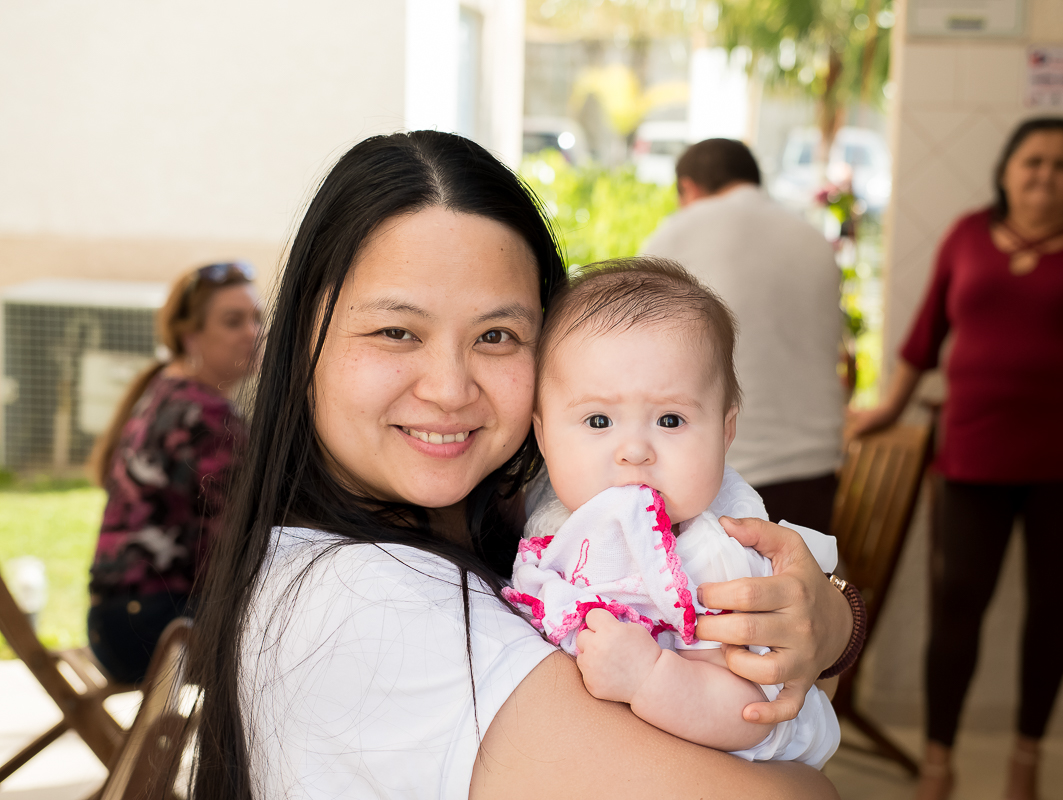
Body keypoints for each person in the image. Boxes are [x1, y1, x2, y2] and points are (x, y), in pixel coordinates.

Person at [190, 131, 857, 800]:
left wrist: (831, 622)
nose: (449, 389)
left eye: (496, 335)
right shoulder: (364, 606)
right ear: (301, 340)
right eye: (396, 331)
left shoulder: (535, 511)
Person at [850, 117, 1063, 800]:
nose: (1045, 174)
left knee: (1051, 606)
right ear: (1006, 172)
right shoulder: (966, 235)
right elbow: (925, 336)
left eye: (1062, 165)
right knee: (958, 602)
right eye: (1032, 161)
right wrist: (889, 407)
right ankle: (938, 761)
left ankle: (1026, 759)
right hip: (974, 451)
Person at [507, 258, 843, 766]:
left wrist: (650, 678)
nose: (634, 451)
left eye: (670, 419)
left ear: (726, 431)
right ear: (542, 434)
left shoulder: (716, 559)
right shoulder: (547, 518)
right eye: (598, 420)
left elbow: (754, 714)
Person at [641, 138, 844, 533]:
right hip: (814, 468)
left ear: (688, 188)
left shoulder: (676, 235)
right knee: (803, 570)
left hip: (722, 475)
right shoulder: (812, 238)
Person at [87, 262, 259, 684]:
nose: (253, 333)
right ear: (190, 337)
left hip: (116, 624)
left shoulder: (165, 390)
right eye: (233, 322)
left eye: (257, 318)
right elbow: (237, 541)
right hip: (156, 628)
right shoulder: (207, 414)